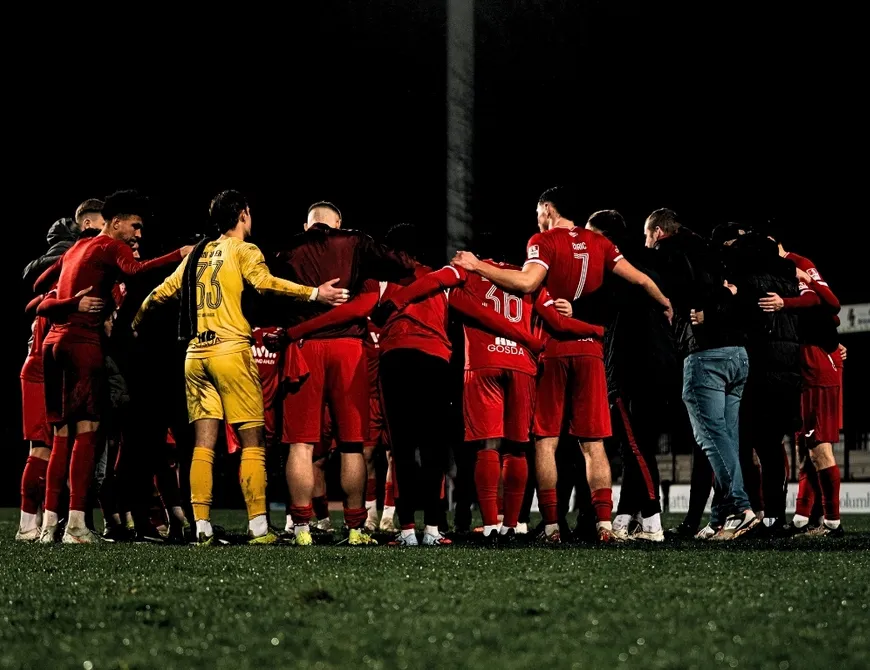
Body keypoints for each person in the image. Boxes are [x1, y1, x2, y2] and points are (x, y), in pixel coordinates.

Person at [453, 186, 672, 544]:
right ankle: (604, 526)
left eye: (538, 210)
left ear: (547, 208)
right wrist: (665, 302)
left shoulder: (543, 241)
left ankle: (552, 527)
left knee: (546, 442)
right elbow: (640, 279)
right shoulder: (600, 243)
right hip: (590, 352)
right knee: (594, 443)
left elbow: (527, 282)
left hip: (554, 350)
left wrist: (478, 266)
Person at [132, 190, 348, 545]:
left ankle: (201, 526)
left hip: (195, 355)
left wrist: (137, 322)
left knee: (203, 444)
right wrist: (313, 294)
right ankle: (259, 528)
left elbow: (160, 293)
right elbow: (265, 284)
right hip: (230, 350)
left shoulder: (198, 252)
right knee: (252, 442)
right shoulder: (245, 250)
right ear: (244, 214)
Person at [34, 190, 191, 544]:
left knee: (61, 438)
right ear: (115, 222)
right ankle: (76, 525)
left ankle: (48, 526)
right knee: (88, 435)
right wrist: (179, 256)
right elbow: (136, 270)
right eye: (135, 226)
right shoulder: (109, 245)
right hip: (82, 344)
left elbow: (38, 288)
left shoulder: (75, 248)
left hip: (53, 344)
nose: (138, 234)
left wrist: (69, 301)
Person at [271, 202, 415, 547]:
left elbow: (264, 294)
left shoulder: (287, 249)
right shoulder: (355, 243)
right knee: (353, 444)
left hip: (304, 346)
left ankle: (302, 528)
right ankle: (354, 528)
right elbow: (402, 265)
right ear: (338, 223)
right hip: (348, 349)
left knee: (301, 445)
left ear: (308, 225)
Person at [644, 208, 756, 540]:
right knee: (727, 440)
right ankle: (721, 517)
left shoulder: (668, 252)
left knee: (711, 437)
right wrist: (725, 296)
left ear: (659, 232)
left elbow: (685, 291)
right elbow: (737, 290)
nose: (646, 243)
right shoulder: (715, 250)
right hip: (739, 355)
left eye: (647, 235)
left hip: (706, 355)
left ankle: (740, 507)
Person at [759, 234, 844, 536]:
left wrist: (785, 301)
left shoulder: (797, 263)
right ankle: (801, 517)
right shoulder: (780, 270)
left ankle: (832, 523)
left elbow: (829, 303)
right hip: (806, 363)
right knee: (806, 445)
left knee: (818, 444)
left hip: (817, 362)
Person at [23, 199, 105, 287]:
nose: (107, 229)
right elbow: (30, 272)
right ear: (87, 224)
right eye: (104, 224)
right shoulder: (68, 245)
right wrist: (72, 258)